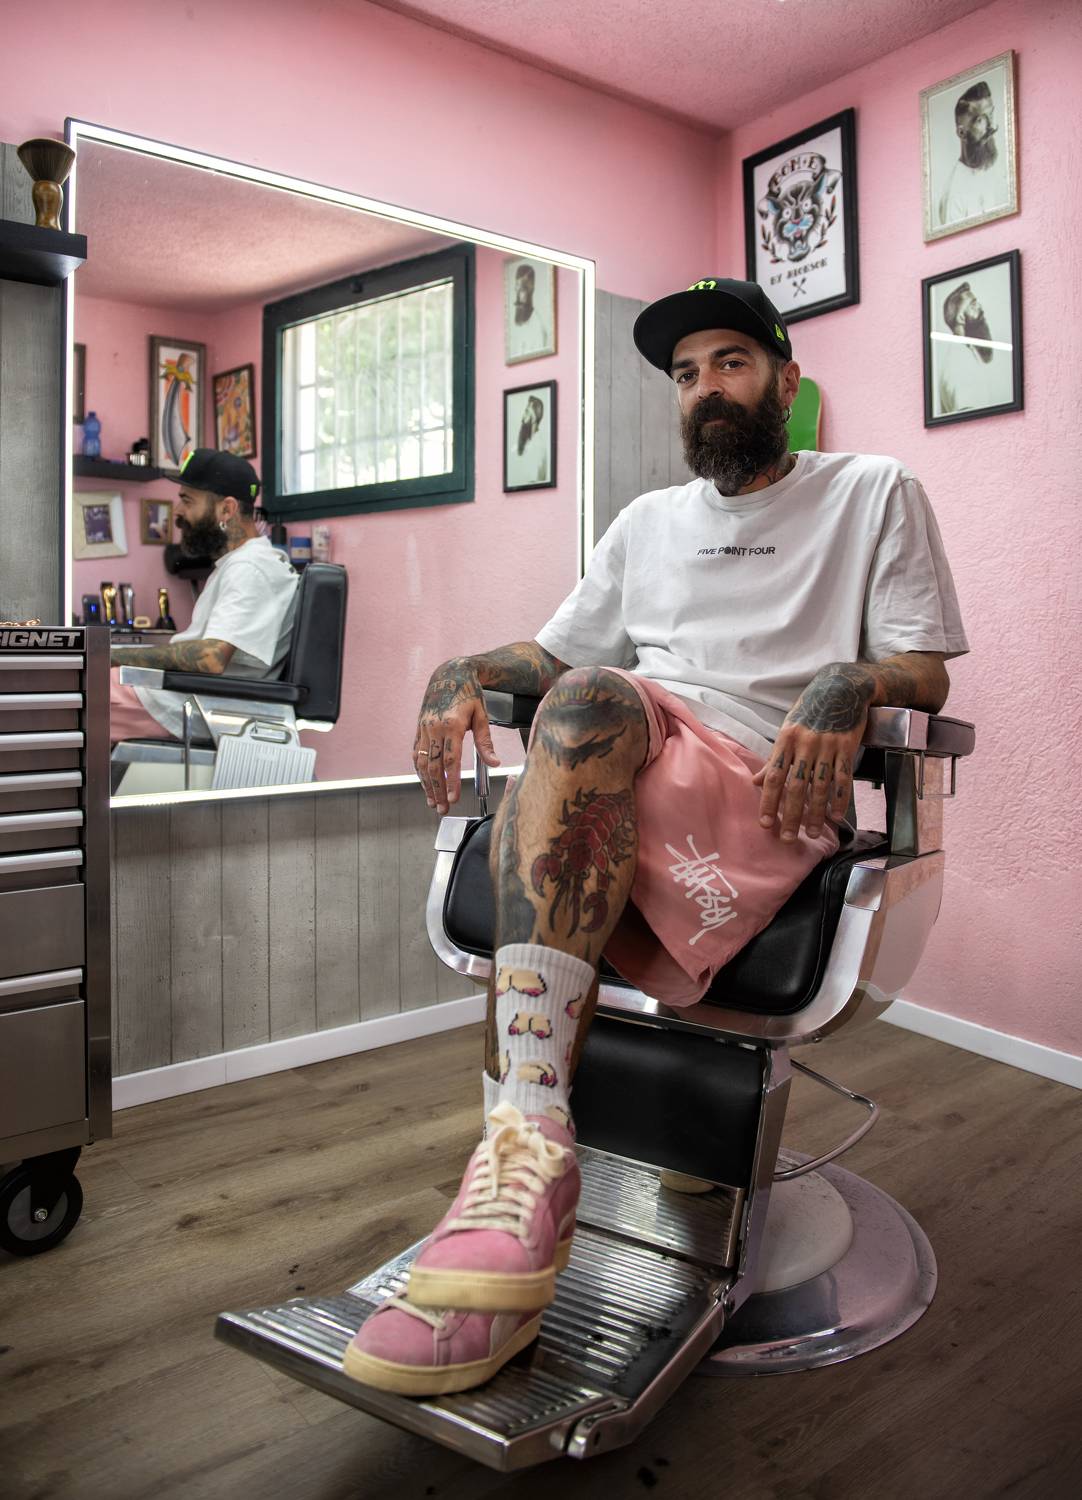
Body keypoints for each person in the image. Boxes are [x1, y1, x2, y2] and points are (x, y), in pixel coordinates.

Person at [343, 277, 969, 1396]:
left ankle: (519, 1158)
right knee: (584, 696)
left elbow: (921, 668)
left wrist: (851, 679)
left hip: (764, 785)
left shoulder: (871, 490)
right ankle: (523, 1158)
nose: (705, 388)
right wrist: (458, 669)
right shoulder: (646, 523)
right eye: (685, 375)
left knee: (582, 717)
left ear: (785, 380)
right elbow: (553, 658)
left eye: (730, 362)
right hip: (639, 742)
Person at [108, 449, 299, 743]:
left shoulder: (250, 568)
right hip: (186, 698)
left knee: (66, 687)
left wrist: (108, 656)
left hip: (190, 706)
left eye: (187, 501)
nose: (178, 512)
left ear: (227, 510)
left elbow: (210, 658)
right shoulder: (239, 564)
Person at [936, 80, 1007, 228]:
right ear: (962, 133)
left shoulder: (997, 171)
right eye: (980, 120)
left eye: (991, 115)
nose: (991, 127)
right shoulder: (954, 195)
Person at [936, 280, 1011, 416]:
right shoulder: (960, 362)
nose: (980, 307)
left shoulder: (964, 353)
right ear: (960, 318)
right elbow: (970, 419)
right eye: (973, 305)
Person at [507, 261, 552, 361]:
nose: (519, 294)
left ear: (531, 290)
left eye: (523, 288)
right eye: (517, 287)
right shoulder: (514, 326)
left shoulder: (538, 328)